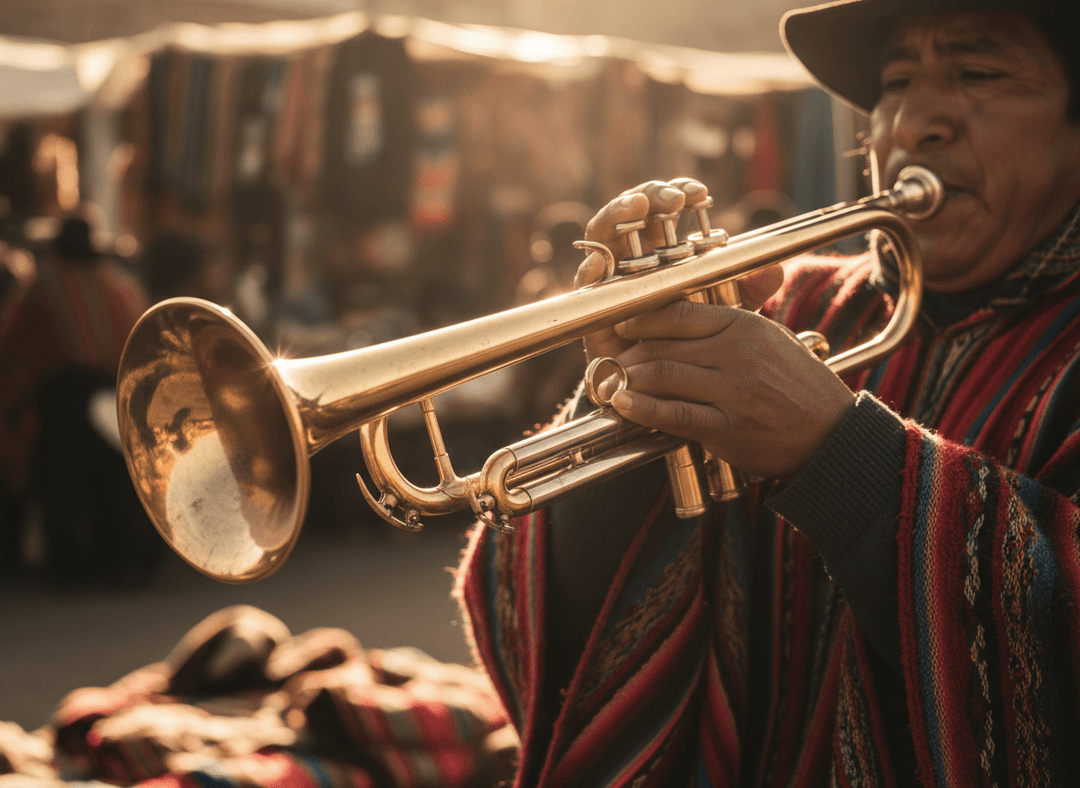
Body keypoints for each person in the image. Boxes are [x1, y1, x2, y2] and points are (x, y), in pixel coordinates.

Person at [454, 0, 1080, 784]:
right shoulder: (787, 306)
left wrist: (839, 456)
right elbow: (537, 633)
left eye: (977, 73)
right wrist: (627, 399)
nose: (912, 124)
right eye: (894, 81)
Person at [0, 207, 159, 583]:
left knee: (64, 480)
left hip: (68, 392)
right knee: (114, 474)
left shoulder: (44, 282)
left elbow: (9, 340)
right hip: (119, 390)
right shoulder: (121, 284)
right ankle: (121, 559)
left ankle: (70, 567)